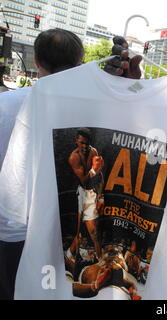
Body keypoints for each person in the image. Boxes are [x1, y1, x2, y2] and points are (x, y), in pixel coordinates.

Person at [0, 28, 84, 300]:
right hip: (60, 234)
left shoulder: (4, 105)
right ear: (78, 65)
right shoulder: (89, 114)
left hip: (9, 231)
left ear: (36, 61)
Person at [68, 128, 104, 263]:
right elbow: (83, 179)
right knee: (87, 230)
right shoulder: (74, 157)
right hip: (83, 193)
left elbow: (100, 175)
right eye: (81, 143)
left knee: (91, 230)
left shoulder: (93, 151)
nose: (84, 146)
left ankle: (70, 254)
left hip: (93, 192)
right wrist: (94, 169)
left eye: (86, 144)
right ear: (76, 141)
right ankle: (99, 260)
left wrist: (101, 196)